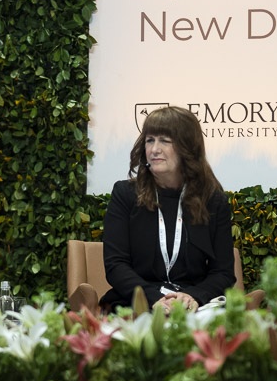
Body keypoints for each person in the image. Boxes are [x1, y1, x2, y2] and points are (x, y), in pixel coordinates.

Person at [100, 106, 236, 313]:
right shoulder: (125, 194)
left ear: (187, 147)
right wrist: (153, 299)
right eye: (150, 140)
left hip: (194, 304)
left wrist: (194, 297)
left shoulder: (213, 200)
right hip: (138, 301)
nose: (154, 149)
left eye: (164, 140)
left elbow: (223, 272)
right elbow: (115, 265)